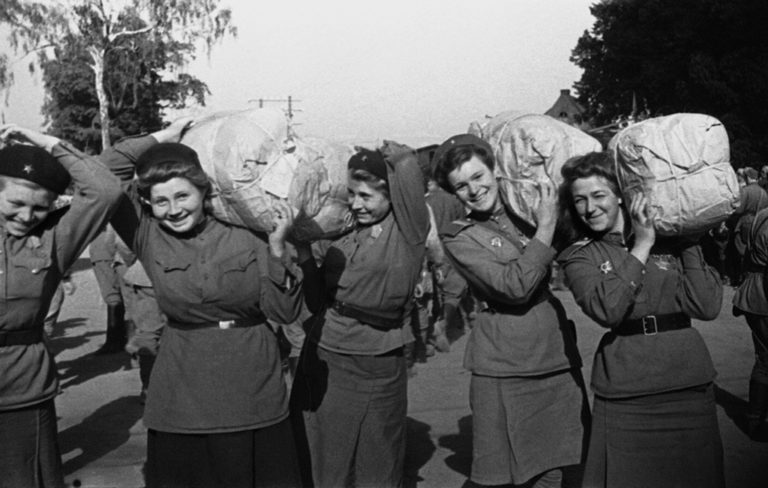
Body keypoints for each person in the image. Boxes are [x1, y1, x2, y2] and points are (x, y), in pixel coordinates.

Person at [104, 119, 304, 488]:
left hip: (252, 386)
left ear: (203, 191)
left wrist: (277, 249)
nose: (173, 210)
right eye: (160, 201)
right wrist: (161, 137)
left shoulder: (247, 232)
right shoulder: (146, 234)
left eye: (182, 196)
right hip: (182, 391)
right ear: (148, 203)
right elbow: (103, 172)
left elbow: (284, 312)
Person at [557, 151, 725, 488]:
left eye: (598, 195)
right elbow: (608, 310)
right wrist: (643, 246)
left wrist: (688, 239)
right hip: (626, 391)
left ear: (621, 195)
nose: (590, 208)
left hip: (686, 383)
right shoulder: (579, 255)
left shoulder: (671, 240)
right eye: (580, 200)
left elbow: (707, 306)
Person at [432, 134, 588, 488]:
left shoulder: (527, 209)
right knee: (499, 474)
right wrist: (545, 227)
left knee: (558, 468)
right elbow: (513, 287)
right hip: (503, 363)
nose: (473, 190)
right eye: (461, 185)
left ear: (495, 170)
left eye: (478, 176)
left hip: (555, 353)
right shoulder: (459, 236)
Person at [290, 146, 429, 487]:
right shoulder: (341, 234)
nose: (355, 204)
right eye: (351, 194)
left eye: (366, 196)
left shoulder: (408, 229)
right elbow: (316, 299)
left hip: (382, 356)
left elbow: (409, 169)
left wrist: (385, 151)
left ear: (391, 195)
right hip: (331, 352)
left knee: (380, 454)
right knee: (329, 456)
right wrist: (306, 252)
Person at [0, 124, 122, 488]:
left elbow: (105, 190)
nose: (26, 216)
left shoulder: (53, 238)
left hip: (22, 389)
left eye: (40, 208)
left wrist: (48, 143)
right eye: (15, 203)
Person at [733, 205, 768, 440]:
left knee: (764, 357)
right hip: (764, 293)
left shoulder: (762, 214)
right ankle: (756, 421)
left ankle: (755, 419)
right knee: (766, 360)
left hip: (753, 292)